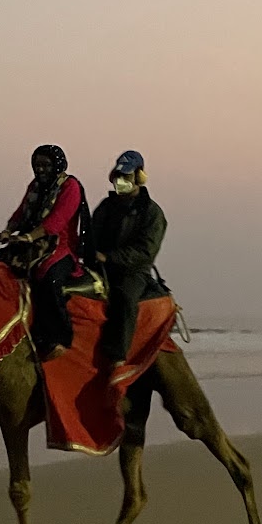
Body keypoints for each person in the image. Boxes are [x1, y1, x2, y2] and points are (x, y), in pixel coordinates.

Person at [0, 144, 88, 360]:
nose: (40, 170)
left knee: (48, 279)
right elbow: (20, 214)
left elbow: (56, 222)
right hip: (29, 245)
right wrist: (7, 231)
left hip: (57, 247)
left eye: (45, 165)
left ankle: (60, 337)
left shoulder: (70, 187)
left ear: (57, 165)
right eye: (37, 165)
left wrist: (29, 236)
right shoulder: (35, 186)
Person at [87, 150, 167, 368]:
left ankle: (117, 356)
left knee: (124, 298)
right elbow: (90, 235)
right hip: (98, 265)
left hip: (132, 270)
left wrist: (109, 257)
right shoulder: (106, 207)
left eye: (127, 178)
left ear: (139, 177)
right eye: (119, 178)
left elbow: (145, 252)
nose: (121, 182)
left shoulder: (152, 213)